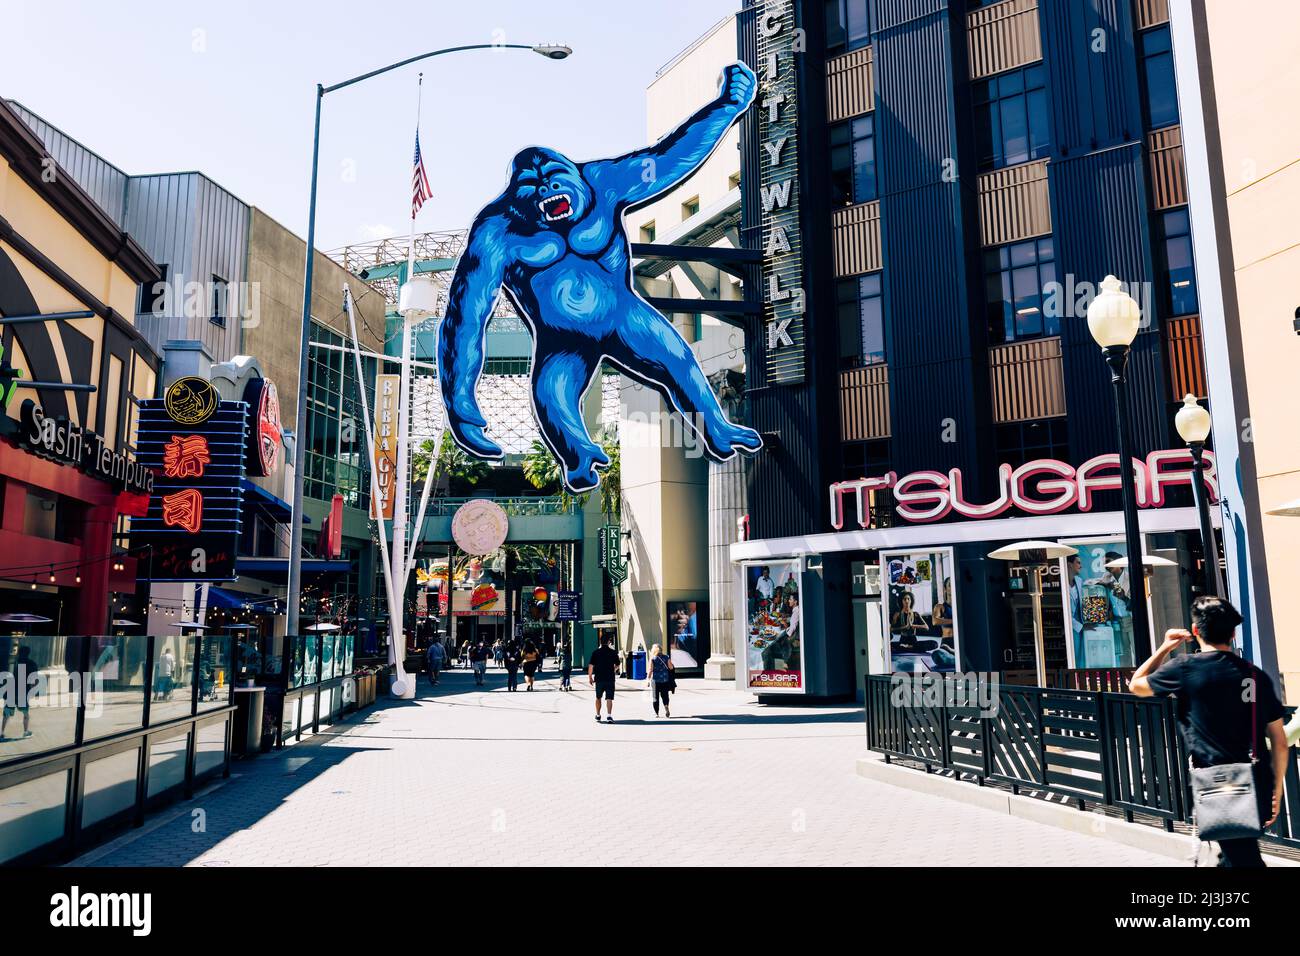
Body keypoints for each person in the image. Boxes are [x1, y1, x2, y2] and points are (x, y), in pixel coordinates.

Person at [1130, 596, 1289, 867]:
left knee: (1242, 858)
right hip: (1255, 781)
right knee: (1236, 854)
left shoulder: (1183, 669)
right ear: (1233, 632)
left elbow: (1136, 685)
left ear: (1195, 631)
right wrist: (1276, 788)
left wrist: (1165, 647)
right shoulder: (1253, 675)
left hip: (1215, 786)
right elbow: (1279, 739)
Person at [0, 645, 39, 740]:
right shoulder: (32, 664)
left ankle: (1, 734)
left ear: (19, 653)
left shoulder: (13, 662)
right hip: (22, 692)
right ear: (28, 653)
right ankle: (26, 732)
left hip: (11, 691)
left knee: (6, 713)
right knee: (25, 714)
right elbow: (33, 681)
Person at [762, 593, 802, 672]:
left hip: (789, 641)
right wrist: (787, 618)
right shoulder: (797, 610)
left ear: (795, 601)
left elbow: (791, 631)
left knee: (767, 648)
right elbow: (794, 621)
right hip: (791, 637)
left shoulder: (796, 612)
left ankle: (769, 669)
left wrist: (785, 625)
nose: (788, 601)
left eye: (790, 599)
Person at [588, 633, 620, 723]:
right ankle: (609, 716)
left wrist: (590, 677)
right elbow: (618, 664)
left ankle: (598, 715)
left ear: (600, 642)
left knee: (598, 697)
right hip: (610, 678)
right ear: (609, 642)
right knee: (609, 698)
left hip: (599, 679)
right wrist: (613, 670)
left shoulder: (595, 652)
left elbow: (591, 666)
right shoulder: (613, 652)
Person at [648, 643, 675, 718]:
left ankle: (656, 713)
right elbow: (671, 667)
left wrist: (648, 679)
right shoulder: (666, 657)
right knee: (665, 695)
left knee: (655, 697)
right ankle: (666, 707)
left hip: (655, 681)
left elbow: (650, 670)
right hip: (665, 679)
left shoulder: (653, 659)